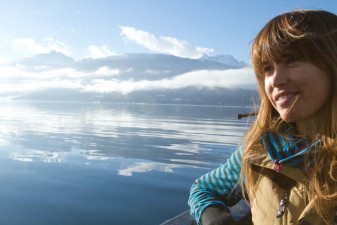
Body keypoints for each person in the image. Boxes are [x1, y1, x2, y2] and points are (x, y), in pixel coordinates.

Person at [188, 9, 337, 225]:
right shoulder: (259, 150)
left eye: (292, 59)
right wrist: (217, 220)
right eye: (267, 68)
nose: (275, 80)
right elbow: (203, 189)